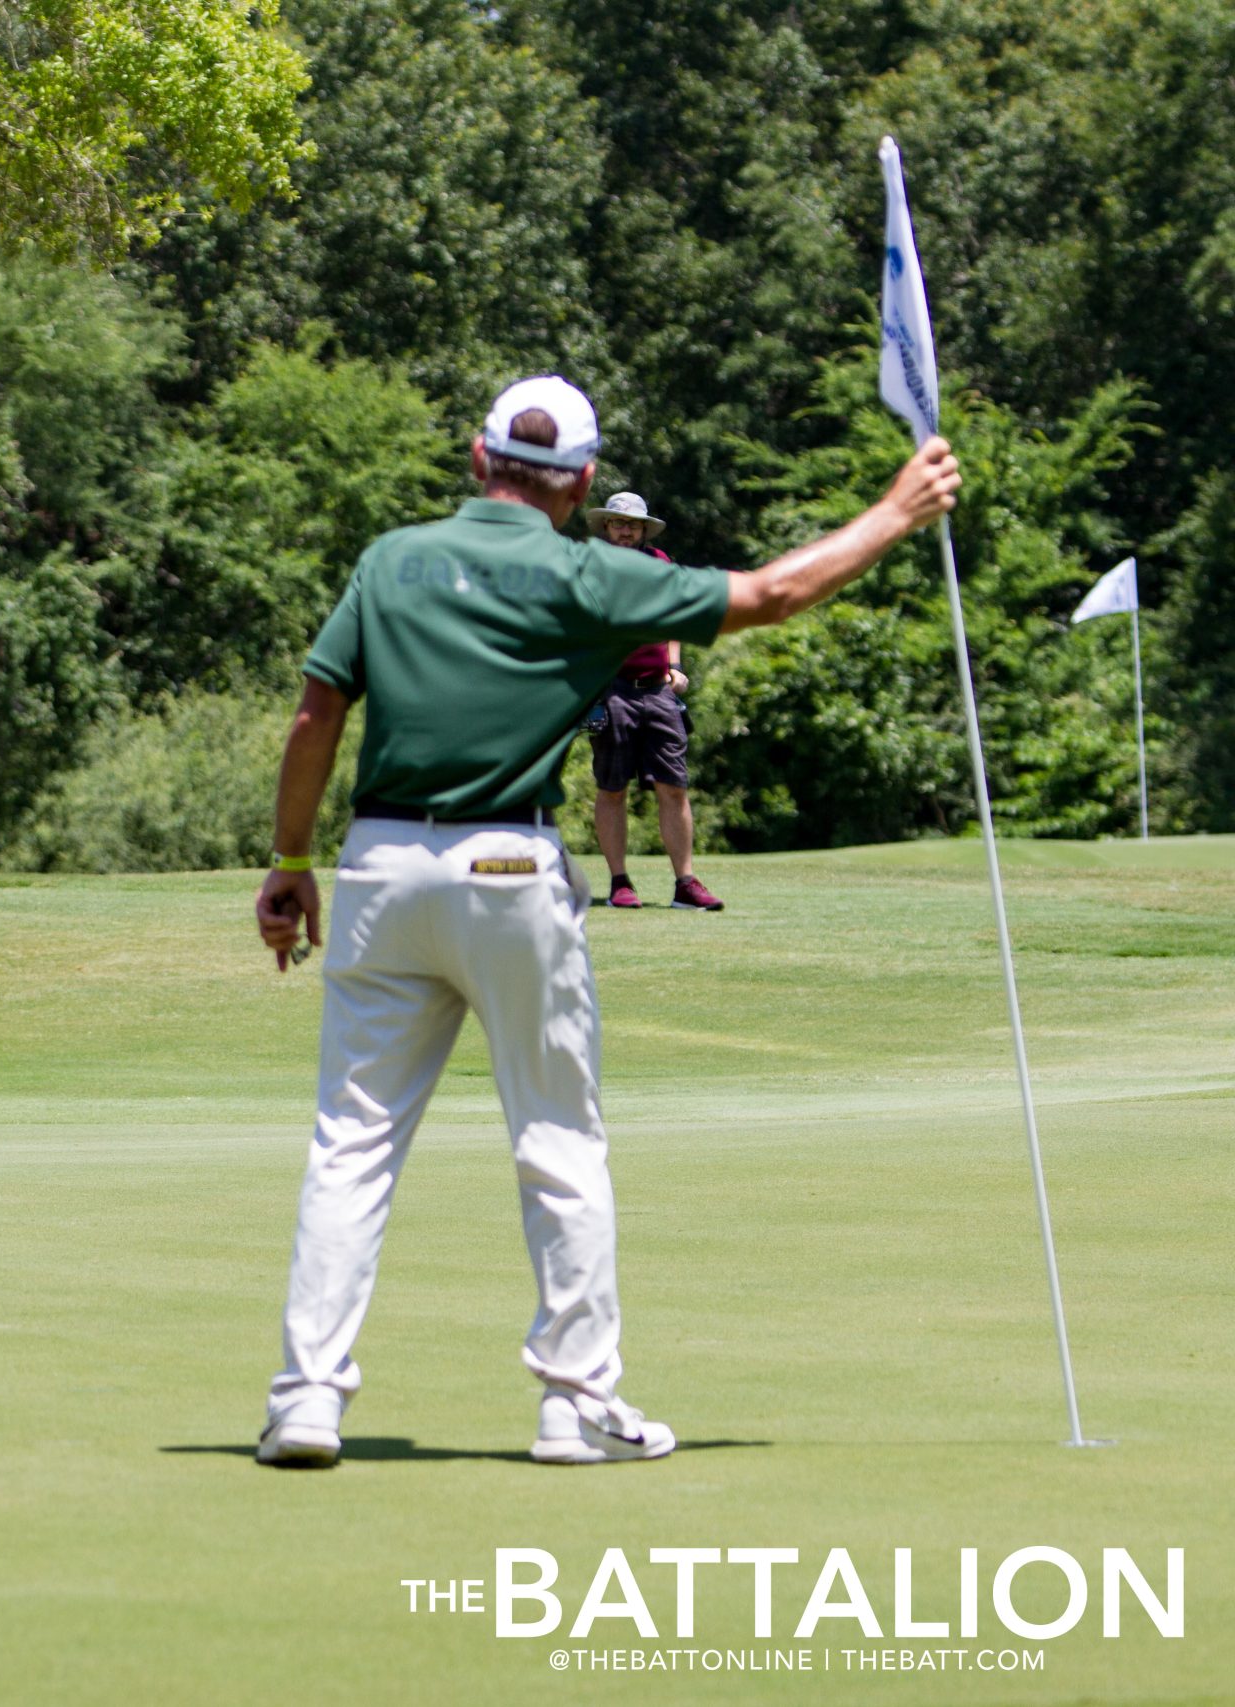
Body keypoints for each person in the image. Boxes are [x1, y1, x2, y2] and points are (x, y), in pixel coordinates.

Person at [250, 376, 959, 1468]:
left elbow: (316, 713)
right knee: (557, 1140)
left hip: (378, 866)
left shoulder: (390, 558)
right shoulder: (590, 572)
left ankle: (305, 1403)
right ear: (580, 484)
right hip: (508, 867)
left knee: (351, 1147)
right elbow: (771, 593)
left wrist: (291, 861)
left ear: (477, 458)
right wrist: (896, 510)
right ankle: (574, 1406)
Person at [585, 491, 721, 910]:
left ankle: (685, 883)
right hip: (612, 690)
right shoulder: (591, 564)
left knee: (674, 787)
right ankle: (619, 882)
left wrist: (675, 666)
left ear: (644, 529)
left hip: (657, 690)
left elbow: (673, 617)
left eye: (633, 524)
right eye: (618, 522)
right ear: (607, 527)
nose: (625, 529)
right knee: (612, 789)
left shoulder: (660, 563)